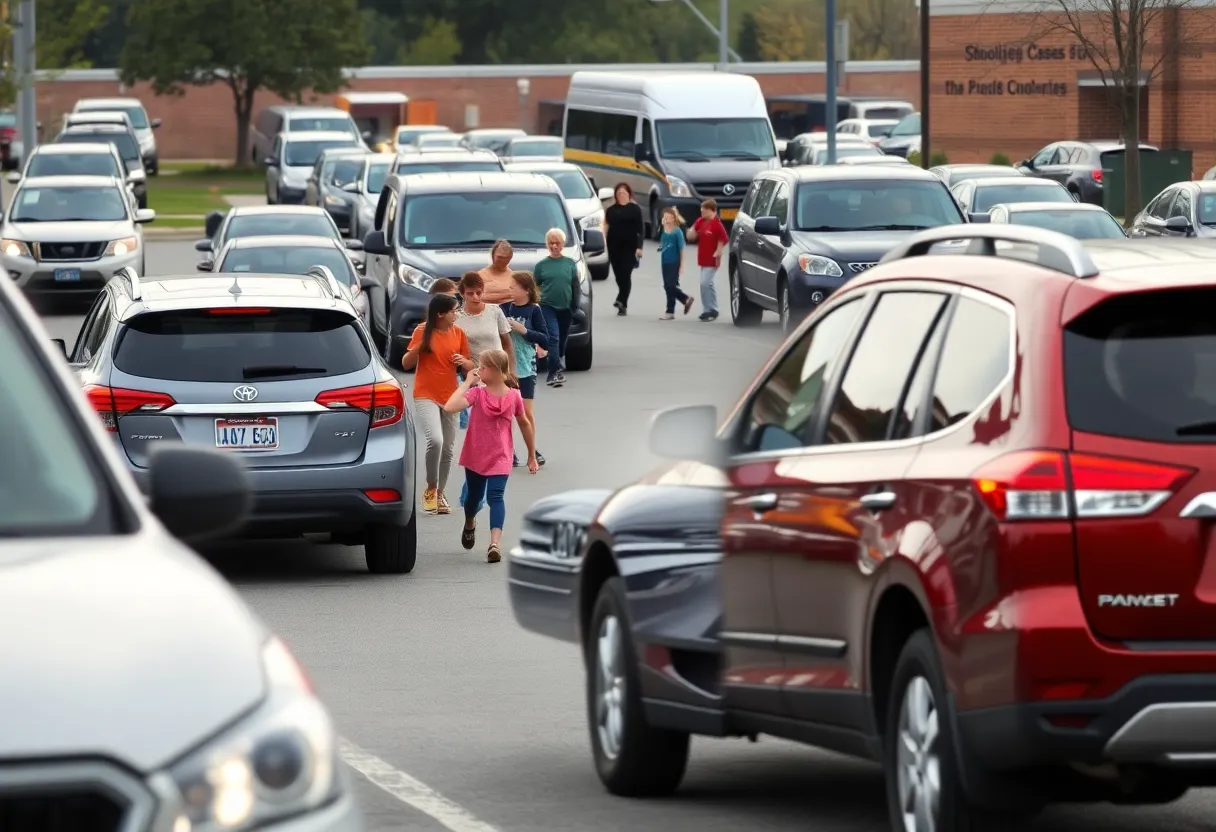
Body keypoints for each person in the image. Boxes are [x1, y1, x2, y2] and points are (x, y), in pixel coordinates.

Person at [443, 349, 537, 563]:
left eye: (482, 367)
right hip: (476, 456)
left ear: (494, 370)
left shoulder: (513, 396)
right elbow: (450, 407)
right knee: (473, 499)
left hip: (501, 457)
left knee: (496, 497)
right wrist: (467, 383)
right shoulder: (478, 394)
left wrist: (531, 454)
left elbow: (524, 424)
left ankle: (495, 544)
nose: (478, 370)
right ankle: (470, 522)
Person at [401, 294, 472, 516]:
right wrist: (419, 348)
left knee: (449, 448)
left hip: (451, 396)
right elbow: (405, 363)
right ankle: (431, 488)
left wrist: (464, 362)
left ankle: (440, 493)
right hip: (426, 394)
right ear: (440, 313)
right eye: (453, 311)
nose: (457, 314)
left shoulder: (458, 333)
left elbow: (470, 366)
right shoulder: (423, 330)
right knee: (436, 440)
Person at [456, 271, 515, 509]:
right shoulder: (458, 319)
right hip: (476, 382)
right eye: (470, 293)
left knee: (498, 437)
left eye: (479, 292)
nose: (476, 297)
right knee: (479, 442)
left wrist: (512, 372)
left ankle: (480, 492)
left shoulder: (494, 311)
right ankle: (472, 496)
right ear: (462, 294)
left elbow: (507, 342)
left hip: (500, 380)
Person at [499, 270, 550, 467]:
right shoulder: (504, 308)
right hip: (506, 369)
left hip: (526, 368)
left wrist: (524, 331)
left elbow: (545, 338)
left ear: (526, 290)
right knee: (505, 413)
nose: (510, 288)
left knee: (526, 414)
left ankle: (532, 450)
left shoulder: (534, 310)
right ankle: (508, 451)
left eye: (514, 286)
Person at [533, 227, 580, 387]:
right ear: (547, 244)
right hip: (547, 306)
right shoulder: (541, 265)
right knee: (553, 336)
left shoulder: (570, 263)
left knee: (562, 338)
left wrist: (575, 306)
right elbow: (536, 285)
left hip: (566, 307)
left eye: (557, 243)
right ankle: (553, 372)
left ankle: (557, 359)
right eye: (551, 243)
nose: (554, 246)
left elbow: (575, 286)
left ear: (562, 244)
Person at [603, 182, 644, 315]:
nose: (621, 194)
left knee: (626, 274)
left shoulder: (635, 209)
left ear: (629, 194)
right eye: (619, 192)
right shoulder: (611, 210)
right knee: (619, 276)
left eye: (624, 192)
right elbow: (605, 227)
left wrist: (639, 247)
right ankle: (622, 302)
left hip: (630, 247)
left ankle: (621, 301)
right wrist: (603, 243)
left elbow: (641, 229)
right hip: (614, 247)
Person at [686, 198, 728, 321]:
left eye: (705, 211)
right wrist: (691, 231)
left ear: (712, 211)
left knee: (704, 283)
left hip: (713, 259)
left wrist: (718, 250)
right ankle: (712, 309)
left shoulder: (717, 224)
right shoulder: (701, 221)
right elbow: (691, 236)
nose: (702, 212)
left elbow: (723, 238)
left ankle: (708, 309)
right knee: (708, 284)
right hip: (703, 258)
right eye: (702, 210)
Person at [659, 207, 694, 319]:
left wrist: (682, 265)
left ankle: (682, 301)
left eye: (669, 217)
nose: (666, 219)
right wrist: (662, 226)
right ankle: (672, 310)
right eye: (665, 217)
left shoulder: (677, 231)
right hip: (664, 261)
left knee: (670, 285)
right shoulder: (664, 229)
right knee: (667, 286)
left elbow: (682, 248)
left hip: (674, 261)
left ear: (674, 219)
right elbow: (659, 239)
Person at [478, 240, 516, 304]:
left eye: (506, 257)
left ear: (510, 258)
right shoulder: (480, 275)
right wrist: (507, 295)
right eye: (500, 257)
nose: (503, 260)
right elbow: (475, 297)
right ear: (493, 256)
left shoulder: (515, 277)